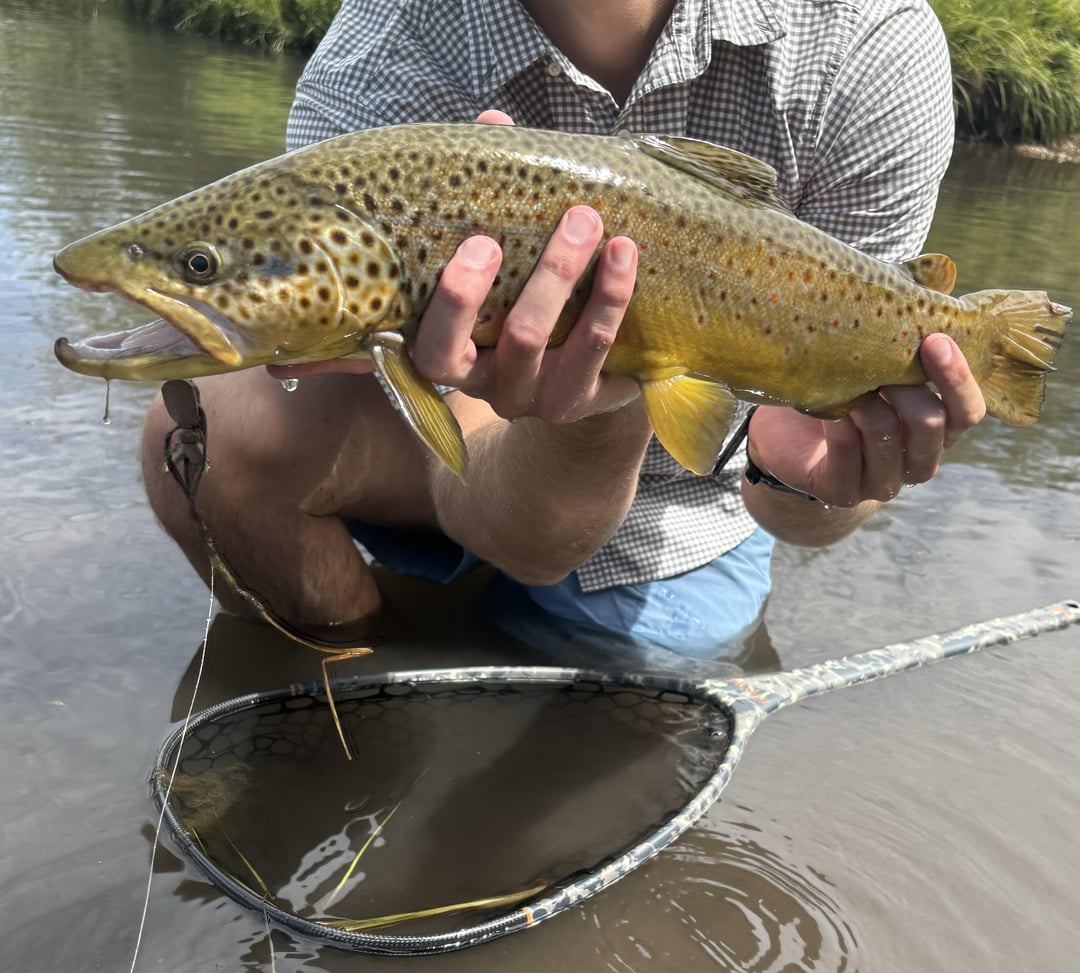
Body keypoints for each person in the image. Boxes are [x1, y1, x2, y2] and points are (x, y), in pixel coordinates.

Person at [140, 0, 986, 662]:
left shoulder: (866, 46)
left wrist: (822, 482)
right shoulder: (378, 61)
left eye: (200, 267)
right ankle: (352, 690)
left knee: (603, 759)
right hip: (448, 456)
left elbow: (792, 499)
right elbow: (517, 529)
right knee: (201, 430)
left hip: (683, 509)